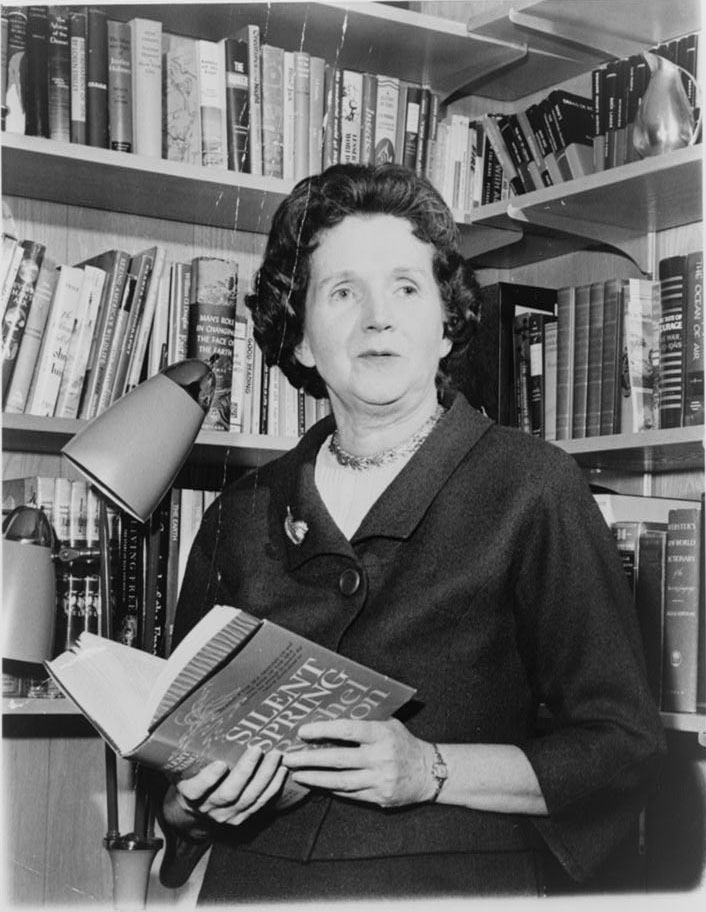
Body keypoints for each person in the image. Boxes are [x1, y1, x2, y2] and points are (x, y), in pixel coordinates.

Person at [158, 163, 666, 902]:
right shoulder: (240, 511)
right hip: (253, 885)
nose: (378, 318)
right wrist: (192, 807)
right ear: (299, 339)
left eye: (405, 287)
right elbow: (173, 767)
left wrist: (429, 768)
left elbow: (622, 746)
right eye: (342, 292)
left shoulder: (532, 485)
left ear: (445, 321)